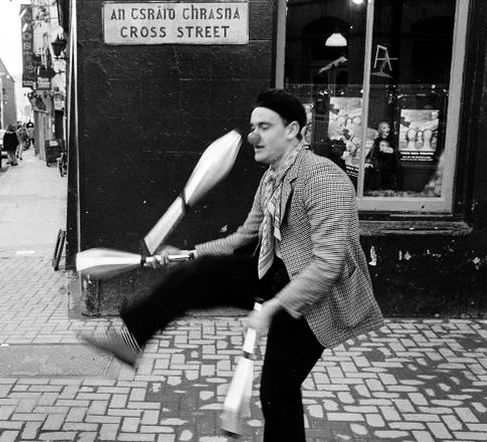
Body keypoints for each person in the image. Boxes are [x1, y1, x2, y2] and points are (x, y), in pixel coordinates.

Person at [81, 88, 384, 442]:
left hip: (319, 300)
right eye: (253, 126)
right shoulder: (272, 177)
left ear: (293, 130)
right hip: (277, 275)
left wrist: (271, 308)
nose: (253, 136)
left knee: (277, 391)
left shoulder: (322, 178)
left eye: (265, 127)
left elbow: (328, 265)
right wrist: (188, 254)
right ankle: (132, 337)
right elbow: (242, 238)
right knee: (199, 274)